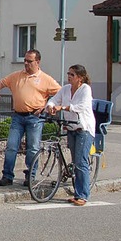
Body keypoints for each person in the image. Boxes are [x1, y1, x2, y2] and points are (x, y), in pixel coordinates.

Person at [0, 49, 60, 187]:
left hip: (35, 117)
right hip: (18, 116)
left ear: (37, 62)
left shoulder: (45, 79)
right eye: (25, 61)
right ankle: (7, 175)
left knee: (33, 147)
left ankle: (31, 176)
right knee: (11, 146)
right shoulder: (17, 76)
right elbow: (1, 82)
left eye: (29, 61)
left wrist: (47, 106)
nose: (26, 64)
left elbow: (60, 93)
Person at [46, 64, 95, 206]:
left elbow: (82, 106)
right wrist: (50, 106)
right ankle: (77, 191)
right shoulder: (66, 89)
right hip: (71, 127)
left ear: (80, 78)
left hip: (84, 128)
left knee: (80, 162)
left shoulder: (85, 89)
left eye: (72, 74)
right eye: (68, 73)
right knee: (75, 161)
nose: (69, 76)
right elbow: (54, 99)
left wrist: (64, 107)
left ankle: (82, 195)